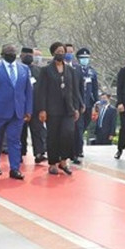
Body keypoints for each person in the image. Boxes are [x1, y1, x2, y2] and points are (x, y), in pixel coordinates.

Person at [0, 44, 33, 179]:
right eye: (8, 52)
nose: (11, 53)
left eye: (13, 51)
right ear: (2, 54)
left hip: (17, 112)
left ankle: (14, 169)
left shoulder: (24, 69)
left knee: (15, 140)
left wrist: (28, 110)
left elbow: (28, 91)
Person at [36, 42, 82, 175]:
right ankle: (53, 163)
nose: (61, 53)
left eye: (63, 51)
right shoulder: (45, 70)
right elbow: (41, 91)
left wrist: (76, 108)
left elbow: (74, 90)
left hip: (68, 109)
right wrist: (42, 109)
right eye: (58, 51)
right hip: (52, 109)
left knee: (68, 133)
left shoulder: (71, 71)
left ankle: (64, 160)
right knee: (53, 136)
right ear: (53, 53)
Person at [20, 47, 47, 164]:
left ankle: (39, 153)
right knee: (21, 131)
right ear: (21, 55)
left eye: (30, 54)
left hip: (36, 106)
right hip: (21, 106)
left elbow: (44, 89)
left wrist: (43, 107)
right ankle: (20, 152)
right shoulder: (17, 69)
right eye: (25, 54)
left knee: (37, 130)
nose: (28, 56)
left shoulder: (39, 71)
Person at [74, 47, 99, 164]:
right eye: (83, 58)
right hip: (78, 104)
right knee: (78, 127)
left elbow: (95, 87)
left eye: (87, 58)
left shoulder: (92, 71)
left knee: (85, 125)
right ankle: (78, 150)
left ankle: (77, 144)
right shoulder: (75, 70)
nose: (85, 60)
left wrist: (96, 102)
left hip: (89, 103)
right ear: (78, 59)